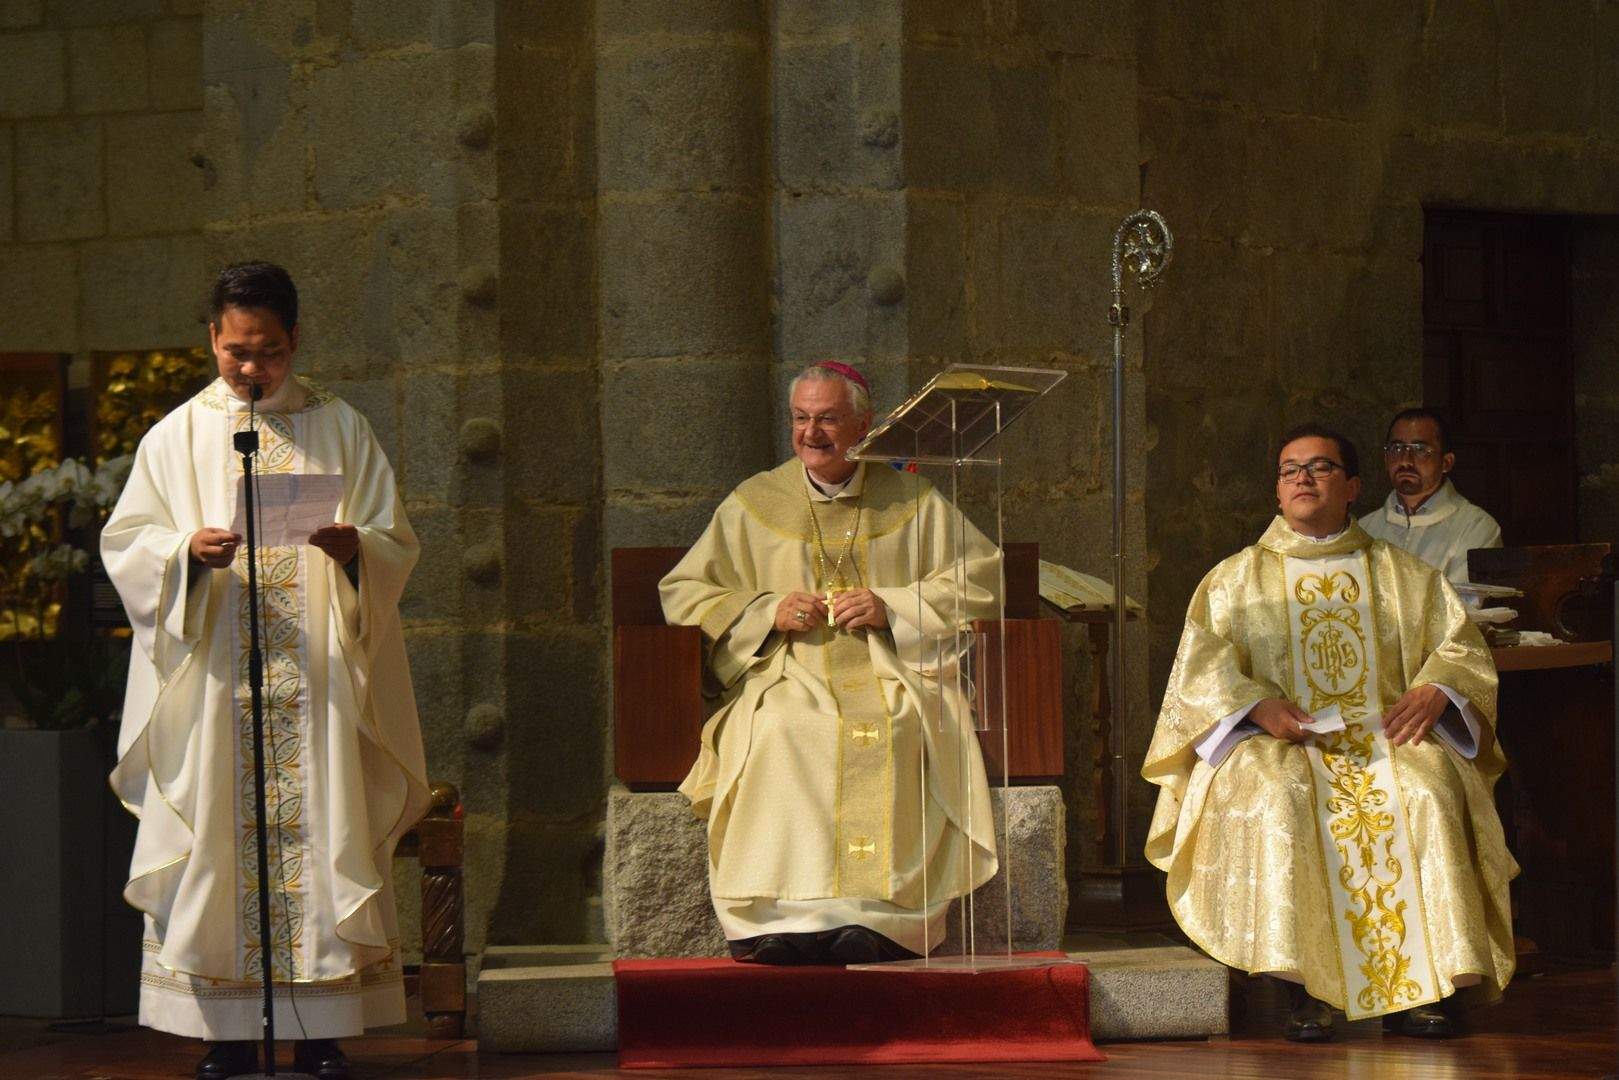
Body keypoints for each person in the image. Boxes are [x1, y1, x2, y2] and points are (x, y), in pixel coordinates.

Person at [102, 262, 429, 1080]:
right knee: (218, 835)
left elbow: (395, 540)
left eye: (271, 353)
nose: (253, 370)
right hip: (217, 680)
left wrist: (356, 551)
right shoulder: (175, 436)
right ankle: (229, 1032)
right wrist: (185, 553)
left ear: (295, 340)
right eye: (238, 351)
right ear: (212, 337)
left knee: (325, 832)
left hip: (313, 679)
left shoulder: (342, 427)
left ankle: (322, 1029)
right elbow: (126, 544)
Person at [1142, 423, 1515, 1042]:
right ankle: (1304, 989)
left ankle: (1424, 990)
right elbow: (1198, 673)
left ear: (1353, 487)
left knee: (1428, 791)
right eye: (1290, 470)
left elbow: (1459, 649)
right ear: (1277, 491)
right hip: (1282, 741)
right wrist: (1258, 708)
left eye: (1319, 467)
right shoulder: (1233, 579)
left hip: (1385, 734)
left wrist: (1436, 689)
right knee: (1279, 797)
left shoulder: (1406, 575)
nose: (1302, 478)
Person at [659, 361, 999, 964]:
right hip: (791, 670)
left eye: (828, 419)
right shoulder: (755, 502)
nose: (811, 433)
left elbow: (980, 580)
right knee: (781, 727)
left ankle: (878, 920)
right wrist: (766, 611)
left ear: (864, 425)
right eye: (801, 419)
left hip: (892, 668)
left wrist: (891, 605)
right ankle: (777, 920)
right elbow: (685, 592)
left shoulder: (913, 500)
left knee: (898, 725)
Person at [1358, 407, 1502, 584]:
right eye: (1396, 448)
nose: (1405, 460)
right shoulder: (1364, 529)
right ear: (1386, 458)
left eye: (1419, 449)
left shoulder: (1476, 527)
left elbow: (1463, 605)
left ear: (1446, 462)